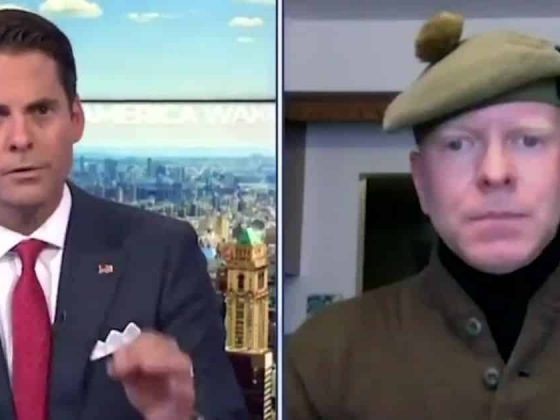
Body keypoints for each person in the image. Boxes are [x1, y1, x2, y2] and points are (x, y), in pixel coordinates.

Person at [286, 11, 560, 419]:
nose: (494, 173)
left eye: (528, 141)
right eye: (458, 145)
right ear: (421, 182)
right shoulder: (321, 359)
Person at [0, 8, 248, 420]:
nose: (20, 139)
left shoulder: (162, 254)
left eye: (41, 111)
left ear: (76, 119)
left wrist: (182, 416)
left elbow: (222, 410)